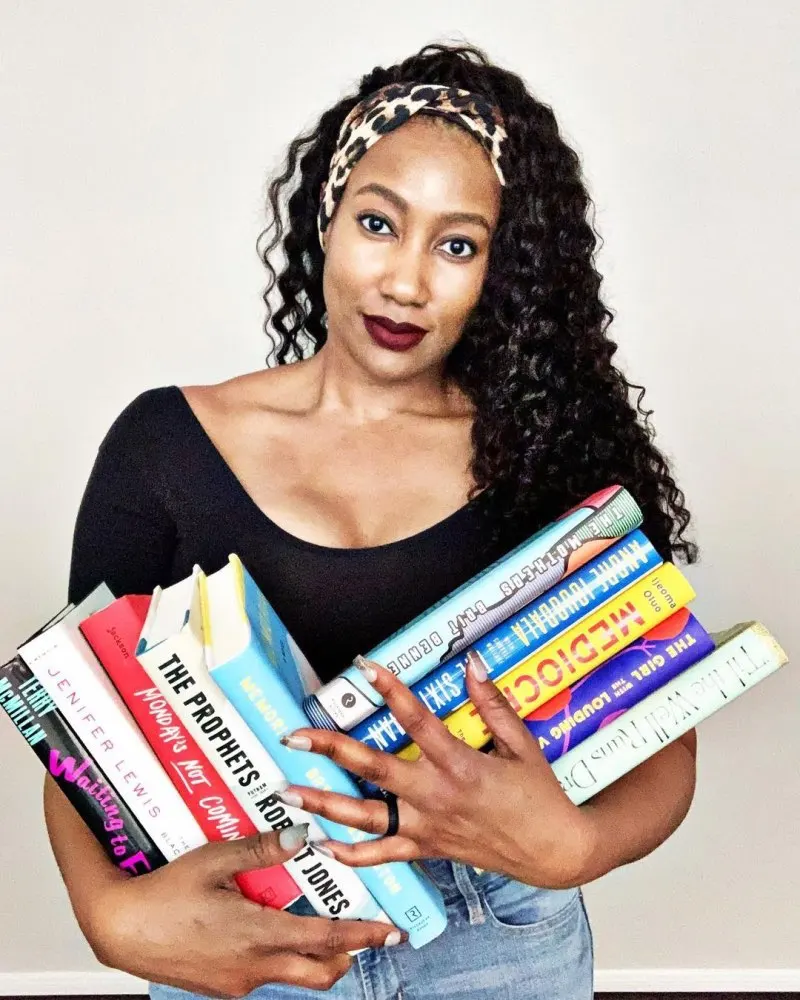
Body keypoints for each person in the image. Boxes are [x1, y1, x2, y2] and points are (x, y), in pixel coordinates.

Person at [47, 41, 699, 1000]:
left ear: (501, 272)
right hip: (247, 918)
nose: (405, 282)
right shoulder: (166, 445)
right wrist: (106, 912)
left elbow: (667, 738)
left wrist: (580, 846)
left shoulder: (550, 455)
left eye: (457, 245)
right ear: (327, 218)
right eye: (379, 223)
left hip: (494, 929)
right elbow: (81, 722)